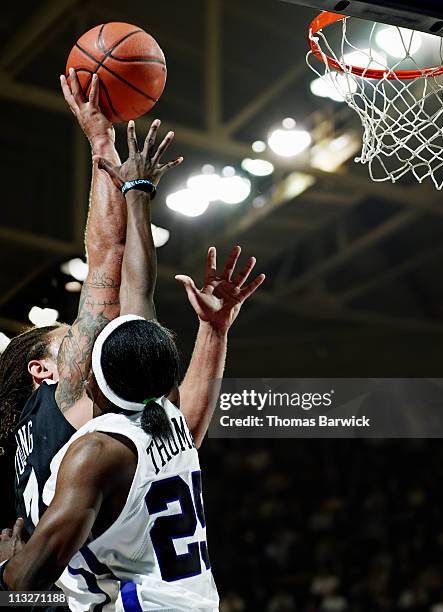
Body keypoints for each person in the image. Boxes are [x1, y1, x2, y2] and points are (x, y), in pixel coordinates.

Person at [0, 119, 265, 612]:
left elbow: (23, 587)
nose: (87, 330)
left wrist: (7, 565)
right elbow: (130, 285)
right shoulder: (151, 415)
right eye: (72, 336)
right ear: (44, 371)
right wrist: (138, 190)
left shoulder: (93, 443)